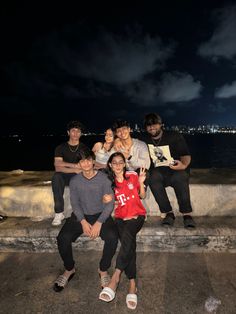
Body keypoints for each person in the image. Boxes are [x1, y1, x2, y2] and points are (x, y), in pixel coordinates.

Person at [53, 149, 118, 292]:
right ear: (79, 164)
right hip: (80, 215)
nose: (86, 163)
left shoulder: (104, 178)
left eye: (88, 159)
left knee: (113, 237)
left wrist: (99, 223)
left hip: (101, 214)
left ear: (93, 161)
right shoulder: (75, 181)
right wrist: (82, 221)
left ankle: (103, 269)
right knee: (62, 238)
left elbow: (110, 203)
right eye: (82, 161)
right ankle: (69, 269)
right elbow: (75, 203)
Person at [99, 152, 146, 310]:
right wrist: (105, 199)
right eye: (115, 162)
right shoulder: (108, 182)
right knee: (129, 242)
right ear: (110, 165)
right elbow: (105, 200)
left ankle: (116, 277)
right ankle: (132, 284)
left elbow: (142, 196)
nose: (118, 165)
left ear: (124, 164)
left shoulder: (132, 175)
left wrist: (141, 182)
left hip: (137, 216)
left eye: (121, 162)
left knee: (127, 236)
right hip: (120, 218)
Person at [142, 113, 196, 228]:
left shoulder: (174, 136)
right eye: (148, 125)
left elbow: (186, 154)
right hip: (159, 172)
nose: (152, 127)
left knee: (180, 177)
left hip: (176, 169)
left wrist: (183, 165)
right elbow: (129, 143)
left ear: (161, 124)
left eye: (155, 124)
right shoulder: (145, 139)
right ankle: (168, 213)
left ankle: (186, 214)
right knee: (152, 177)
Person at [51, 121, 88, 226]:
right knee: (56, 177)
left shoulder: (84, 148)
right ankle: (59, 213)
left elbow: (84, 166)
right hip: (65, 175)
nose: (75, 133)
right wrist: (75, 167)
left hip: (77, 175)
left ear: (81, 133)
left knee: (84, 177)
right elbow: (58, 166)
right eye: (73, 131)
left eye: (78, 131)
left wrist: (75, 168)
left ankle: (81, 212)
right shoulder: (60, 148)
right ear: (68, 132)